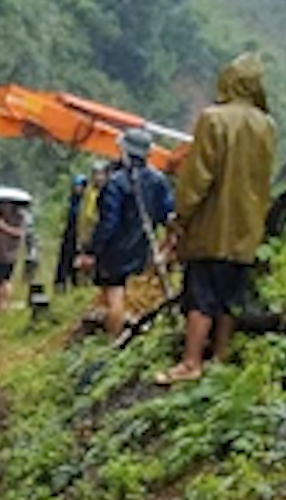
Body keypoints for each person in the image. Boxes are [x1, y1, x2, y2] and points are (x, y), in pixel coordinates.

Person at [158, 53, 276, 385]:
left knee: (200, 296)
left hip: (212, 226)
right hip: (247, 228)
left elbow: (198, 178)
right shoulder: (267, 125)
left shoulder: (213, 119)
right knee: (229, 297)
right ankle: (220, 358)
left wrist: (180, 217)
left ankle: (191, 361)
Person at [77, 128, 173, 337]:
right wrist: (167, 246)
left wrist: (92, 251)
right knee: (132, 296)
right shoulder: (159, 180)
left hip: (116, 250)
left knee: (114, 296)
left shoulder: (116, 182)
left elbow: (108, 223)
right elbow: (169, 216)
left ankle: (114, 340)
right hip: (144, 246)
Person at [0, 201, 26, 310]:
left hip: (9, 253)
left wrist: (4, 227)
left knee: (5, 280)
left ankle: (6, 304)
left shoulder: (18, 217)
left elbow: (20, 233)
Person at [54, 173, 88, 290]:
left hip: (80, 235)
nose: (77, 188)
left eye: (80, 186)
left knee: (77, 263)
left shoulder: (86, 202)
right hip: (69, 234)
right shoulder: (72, 201)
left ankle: (76, 285)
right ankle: (60, 285)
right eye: (75, 186)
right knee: (64, 261)